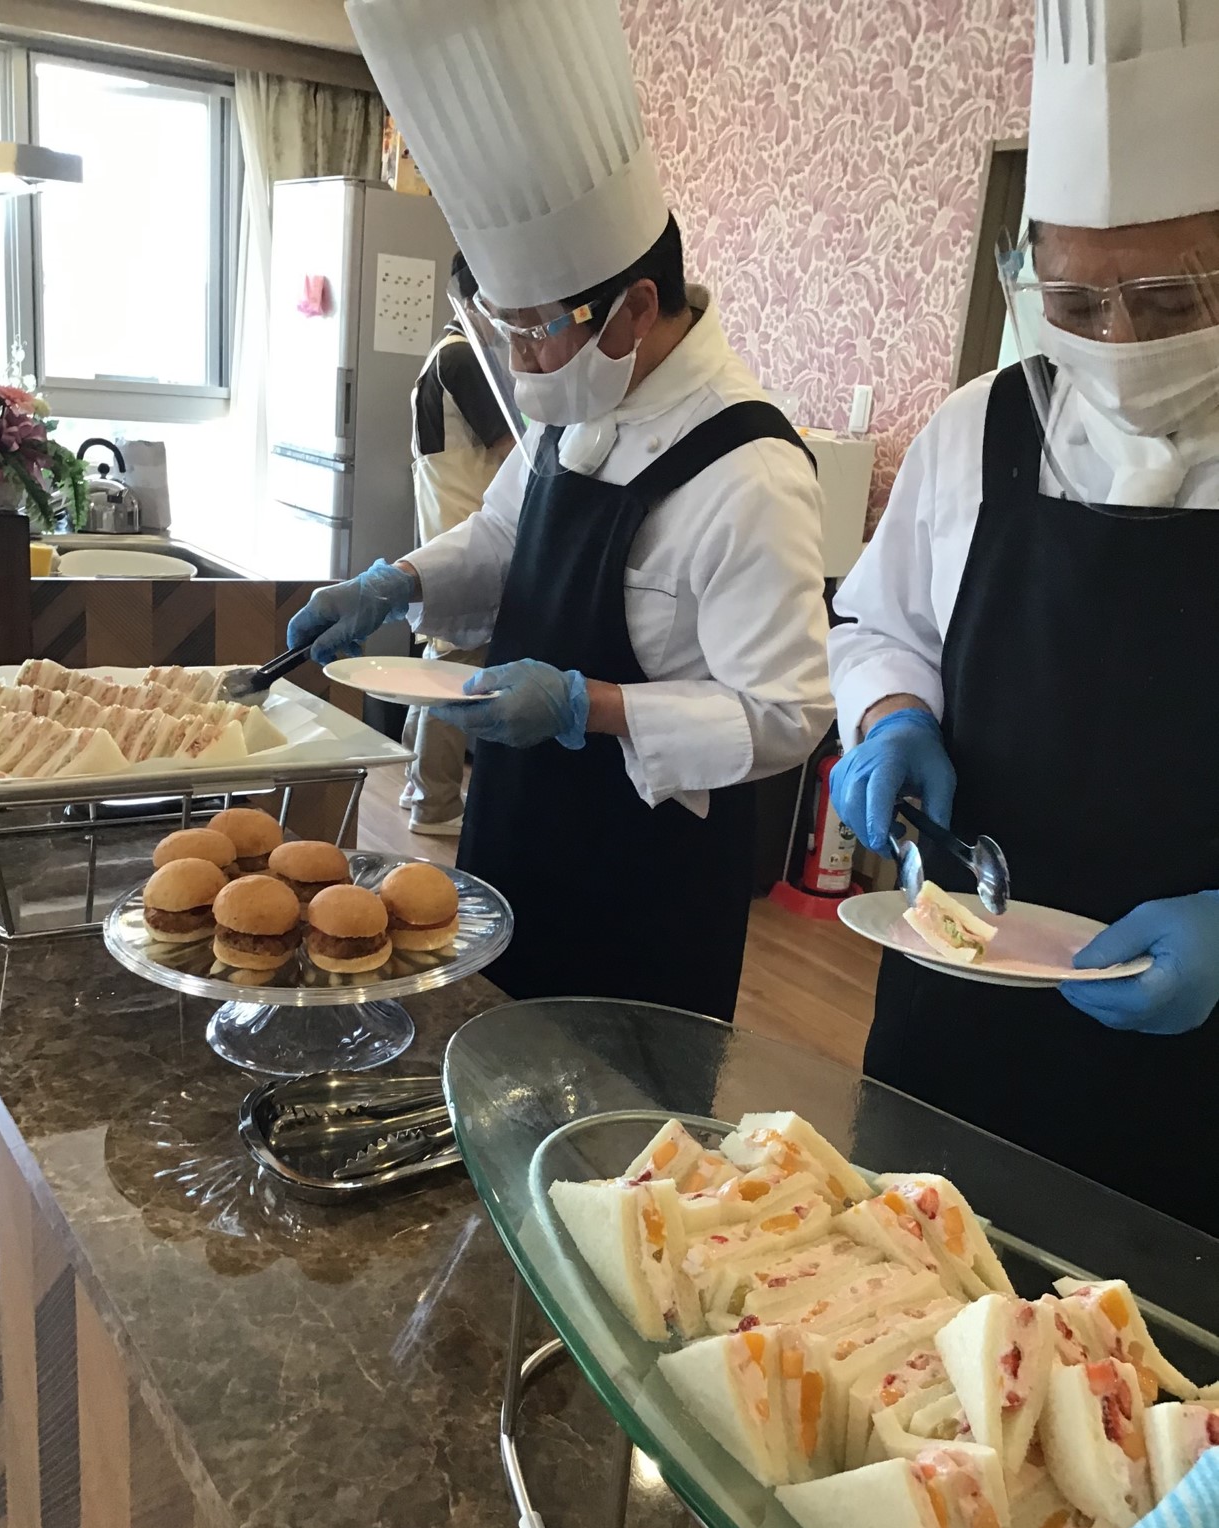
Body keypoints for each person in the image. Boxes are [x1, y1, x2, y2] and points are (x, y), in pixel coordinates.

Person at [290, 0, 832, 1021]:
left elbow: (785, 715)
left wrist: (593, 709)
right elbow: (505, 536)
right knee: (488, 1045)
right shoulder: (575, 402)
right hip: (515, 825)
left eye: (536, 330)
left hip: (646, 877)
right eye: (504, 330)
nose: (522, 360)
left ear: (635, 308)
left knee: (616, 1105)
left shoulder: (750, 469)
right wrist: (395, 582)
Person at [828, 0, 1219, 1234]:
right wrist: (893, 720)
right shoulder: (978, 427)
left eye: (1166, 302)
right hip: (954, 1006)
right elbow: (880, 624)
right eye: (1075, 303)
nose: (1116, 342)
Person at [401, 251, 514, 837]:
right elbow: (512, 451)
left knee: (438, 659)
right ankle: (437, 802)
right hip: (467, 524)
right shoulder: (465, 358)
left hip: (444, 522)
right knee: (457, 667)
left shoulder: (441, 355)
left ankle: (414, 781)